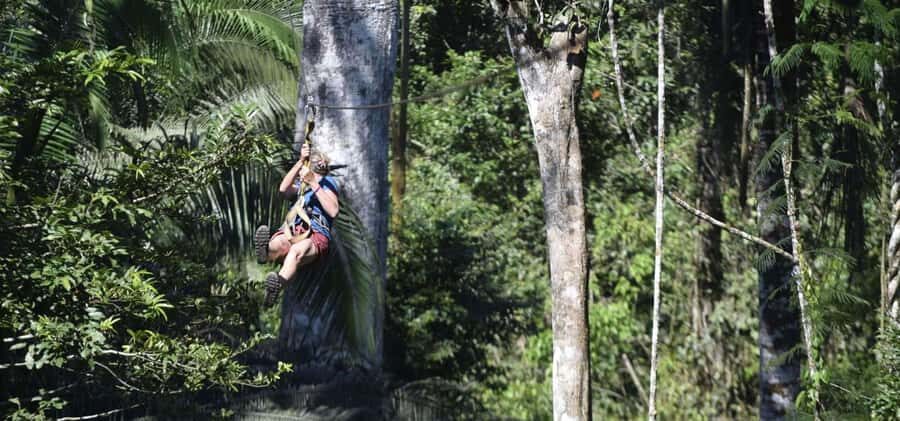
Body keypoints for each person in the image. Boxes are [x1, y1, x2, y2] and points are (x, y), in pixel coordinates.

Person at [255, 144, 340, 306]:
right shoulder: (302, 187)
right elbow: (283, 189)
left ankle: (277, 285)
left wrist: (313, 182)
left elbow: (333, 211)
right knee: (279, 243)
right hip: (293, 231)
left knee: (296, 251)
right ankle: (266, 252)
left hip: (315, 235)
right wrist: (300, 161)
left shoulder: (327, 183)